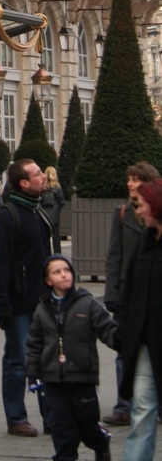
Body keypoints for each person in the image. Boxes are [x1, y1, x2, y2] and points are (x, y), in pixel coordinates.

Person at [26, 254, 119, 461]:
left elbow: (106, 329)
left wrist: (122, 340)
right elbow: (34, 343)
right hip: (53, 379)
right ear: (48, 280)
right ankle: (64, 456)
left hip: (82, 376)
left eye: (66, 270)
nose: (64, 275)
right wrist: (32, 373)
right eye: (57, 272)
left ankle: (100, 443)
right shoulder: (42, 309)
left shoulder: (87, 303)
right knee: (61, 427)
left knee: (87, 423)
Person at [0, 158, 52, 438]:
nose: (44, 176)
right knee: (18, 360)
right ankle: (16, 418)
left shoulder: (39, 212)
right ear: (24, 183)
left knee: (49, 359)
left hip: (45, 301)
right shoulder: (7, 216)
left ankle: (52, 417)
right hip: (18, 303)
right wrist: (2, 303)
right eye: (38, 174)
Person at [103, 160, 160, 427]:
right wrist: (111, 292)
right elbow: (113, 255)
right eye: (128, 179)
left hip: (153, 293)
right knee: (124, 349)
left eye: (135, 179)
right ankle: (123, 406)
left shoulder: (157, 214)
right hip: (128, 293)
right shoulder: (122, 213)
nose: (129, 183)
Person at [118, 177, 162, 461]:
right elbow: (130, 289)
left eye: (144, 205)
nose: (140, 211)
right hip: (147, 342)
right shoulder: (144, 244)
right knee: (142, 410)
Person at [40, 166, 65, 253]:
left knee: (45, 236)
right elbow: (62, 201)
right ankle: (57, 254)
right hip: (54, 216)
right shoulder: (57, 187)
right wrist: (57, 208)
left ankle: (46, 253)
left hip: (43, 215)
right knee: (56, 238)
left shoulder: (42, 187)